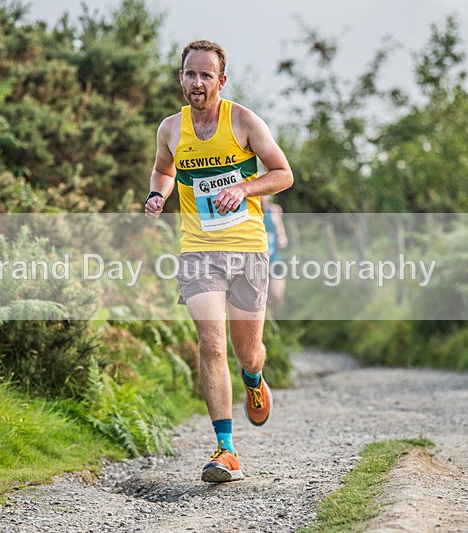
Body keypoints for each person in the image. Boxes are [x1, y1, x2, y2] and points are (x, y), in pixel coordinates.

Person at [144, 39, 294, 483]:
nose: (196, 82)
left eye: (205, 75)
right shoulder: (171, 128)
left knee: (246, 351)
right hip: (198, 251)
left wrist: (244, 189)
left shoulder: (243, 121)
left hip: (247, 249)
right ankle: (226, 449)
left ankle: (254, 378)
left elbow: (283, 174)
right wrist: (158, 195)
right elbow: (163, 169)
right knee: (210, 344)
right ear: (181, 78)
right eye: (190, 73)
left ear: (220, 81)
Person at [261, 195, 289, 318]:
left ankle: (274, 321)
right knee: (261, 299)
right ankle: (263, 325)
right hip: (255, 263)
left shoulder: (274, 211)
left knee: (277, 295)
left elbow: (282, 234)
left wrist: (282, 239)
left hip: (274, 260)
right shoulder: (248, 213)